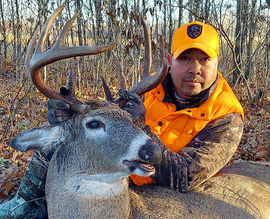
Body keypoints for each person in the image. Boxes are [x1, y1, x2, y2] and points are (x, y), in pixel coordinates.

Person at [0, 21, 244, 218]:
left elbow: (186, 175)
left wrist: (141, 127)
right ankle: (26, 204)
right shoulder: (148, 88)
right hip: (115, 170)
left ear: (217, 63)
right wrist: (69, 114)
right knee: (67, 140)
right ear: (170, 62)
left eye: (204, 59)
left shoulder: (226, 115)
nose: (195, 68)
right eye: (185, 58)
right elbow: (104, 116)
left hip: (161, 190)